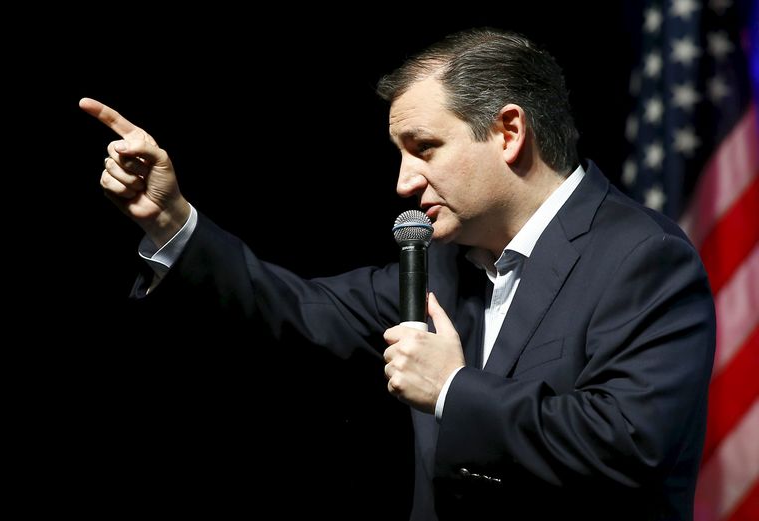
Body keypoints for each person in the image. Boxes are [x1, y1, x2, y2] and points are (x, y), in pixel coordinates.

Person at [80, 28, 716, 521]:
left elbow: (629, 442)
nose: (404, 182)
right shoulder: (437, 263)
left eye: (424, 148)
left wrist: (451, 390)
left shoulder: (642, 257)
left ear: (509, 131)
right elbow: (297, 310)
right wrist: (171, 221)